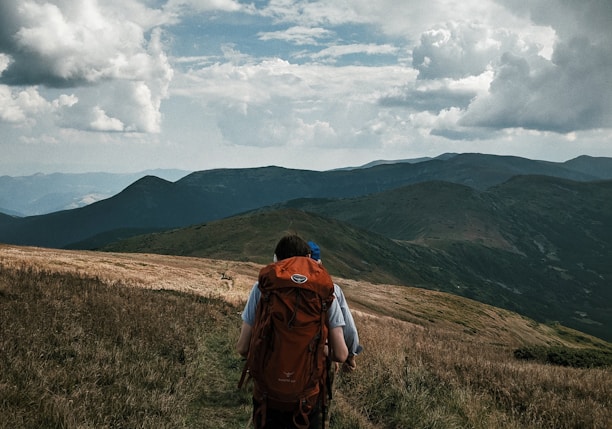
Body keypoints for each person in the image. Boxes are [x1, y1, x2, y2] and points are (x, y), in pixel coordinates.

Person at [237, 233, 349, 429]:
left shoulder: (262, 288)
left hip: (267, 397)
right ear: (308, 260)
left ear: (276, 261)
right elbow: (340, 354)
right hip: (306, 400)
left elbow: (243, 347)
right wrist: (318, 350)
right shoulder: (323, 291)